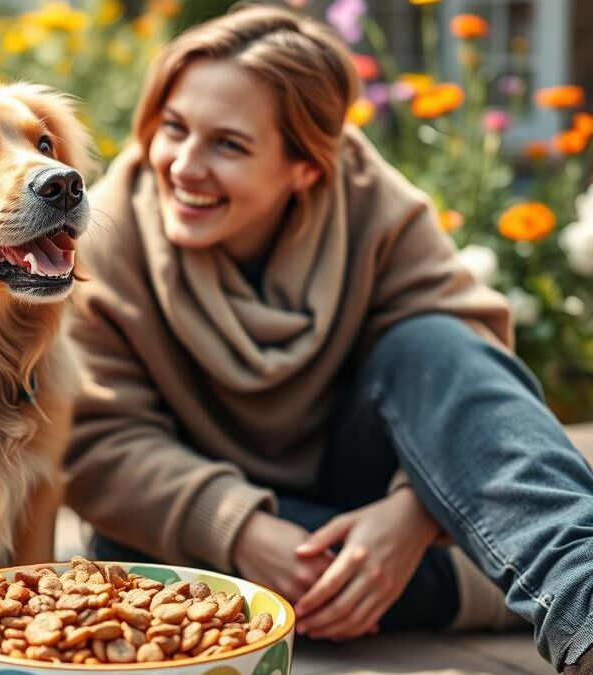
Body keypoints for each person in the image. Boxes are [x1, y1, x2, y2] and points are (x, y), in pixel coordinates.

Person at [63, 4, 593, 672]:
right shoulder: (107, 238)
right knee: (128, 555)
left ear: (307, 168)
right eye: (174, 128)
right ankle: (469, 582)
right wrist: (240, 527)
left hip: (362, 489)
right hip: (203, 519)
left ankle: (581, 605)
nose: (183, 166)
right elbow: (95, 439)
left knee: (434, 345)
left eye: (228, 145)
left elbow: (470, 370)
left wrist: (410, 516)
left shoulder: (373, 202)